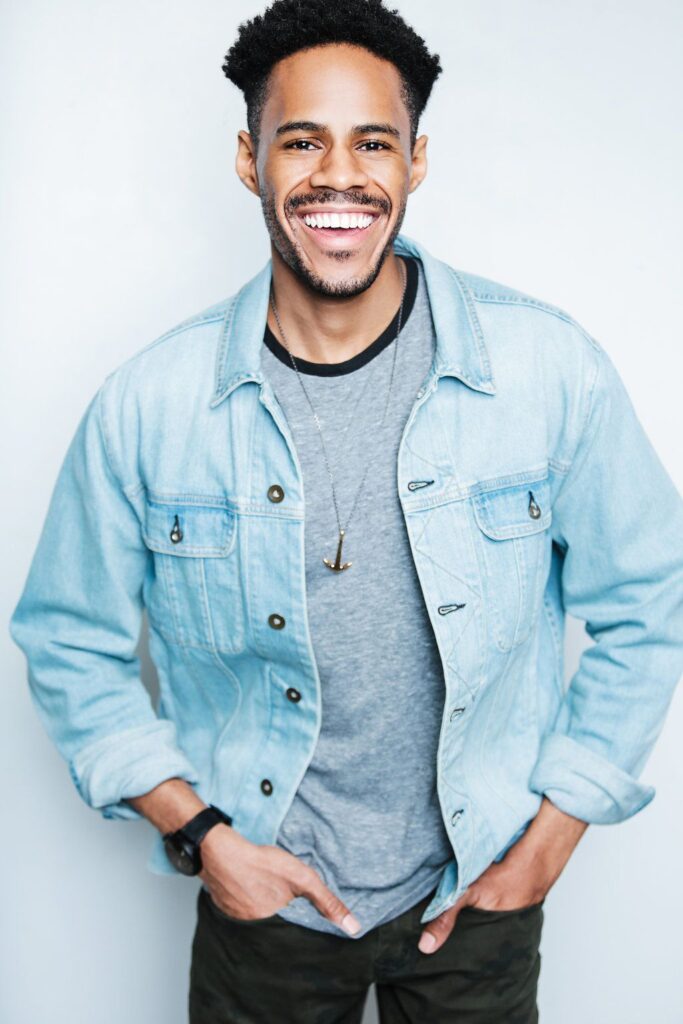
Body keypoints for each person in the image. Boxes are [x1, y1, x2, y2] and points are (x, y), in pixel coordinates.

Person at [9, 1, 683, 1021]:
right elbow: (67, 642)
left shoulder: (546, 371)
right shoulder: (149, 405)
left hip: (478, 889)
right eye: (301, 141)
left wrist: (552, 838)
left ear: (415, 160)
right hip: (262, 905)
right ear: (249, 160)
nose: (339, 175)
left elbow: (650, 599)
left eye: (372, 141)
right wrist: (205, 839)